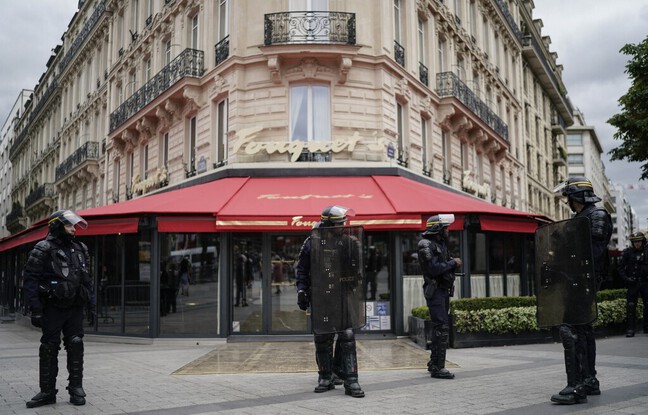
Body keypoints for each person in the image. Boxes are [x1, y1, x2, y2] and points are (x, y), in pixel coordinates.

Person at [23, 210, 95, 408]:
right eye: (69, 225)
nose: (73, 229)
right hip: (52, 307)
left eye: (74, 225)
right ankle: (47, 391)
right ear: (57, 226)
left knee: (76, 343)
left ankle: (76, 388)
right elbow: (30, 280)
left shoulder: (81, 248)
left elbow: (87, 278)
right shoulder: (42, 248)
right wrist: (35, 309)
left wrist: (91, 303)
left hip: (75, 307)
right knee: (48, 347)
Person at [550, 177, 612, 404]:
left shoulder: (596, 216)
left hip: (583, 281)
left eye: (569, 197)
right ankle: (588, 380)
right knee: (583, 330)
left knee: (571, 329)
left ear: (577, 196)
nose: (567, 201)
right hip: (575, 281)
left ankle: (576, 387)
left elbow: (592, 254)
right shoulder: (582, 217)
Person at [295, 206, 365, 398]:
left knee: (347, 335)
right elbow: (301, 269)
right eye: (338, 224)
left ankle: (351, 379)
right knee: (323, 337)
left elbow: (357, 270)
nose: (342, 226)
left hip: (342, 295)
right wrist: (301, 290)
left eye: (343, 223)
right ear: (327, 224)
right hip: (321, 295)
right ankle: (325, 376)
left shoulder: (349, 242)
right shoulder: (312, 242)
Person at [417, 214, 462, 379]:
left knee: (440, 327)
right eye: (446, 228)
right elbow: (434, 269)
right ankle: (438, 367)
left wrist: (452, 264)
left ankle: (433, 363)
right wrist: (453, 263)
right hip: (435, 291)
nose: (448, 230)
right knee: (441, 327)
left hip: (443, 290)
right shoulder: (425, 244)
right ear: (438, 229)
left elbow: (444, 263)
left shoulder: (440, 244)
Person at [618, 232, 648, 337]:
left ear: (643, 242)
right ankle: (630, 329)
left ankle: (646, 326)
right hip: (633, 283)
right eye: (635, 242)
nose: (637, 244)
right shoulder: (627, 253)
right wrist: (627, 279)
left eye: (639, 241)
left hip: (645, 282)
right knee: (630, 306)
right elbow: (620, 268)